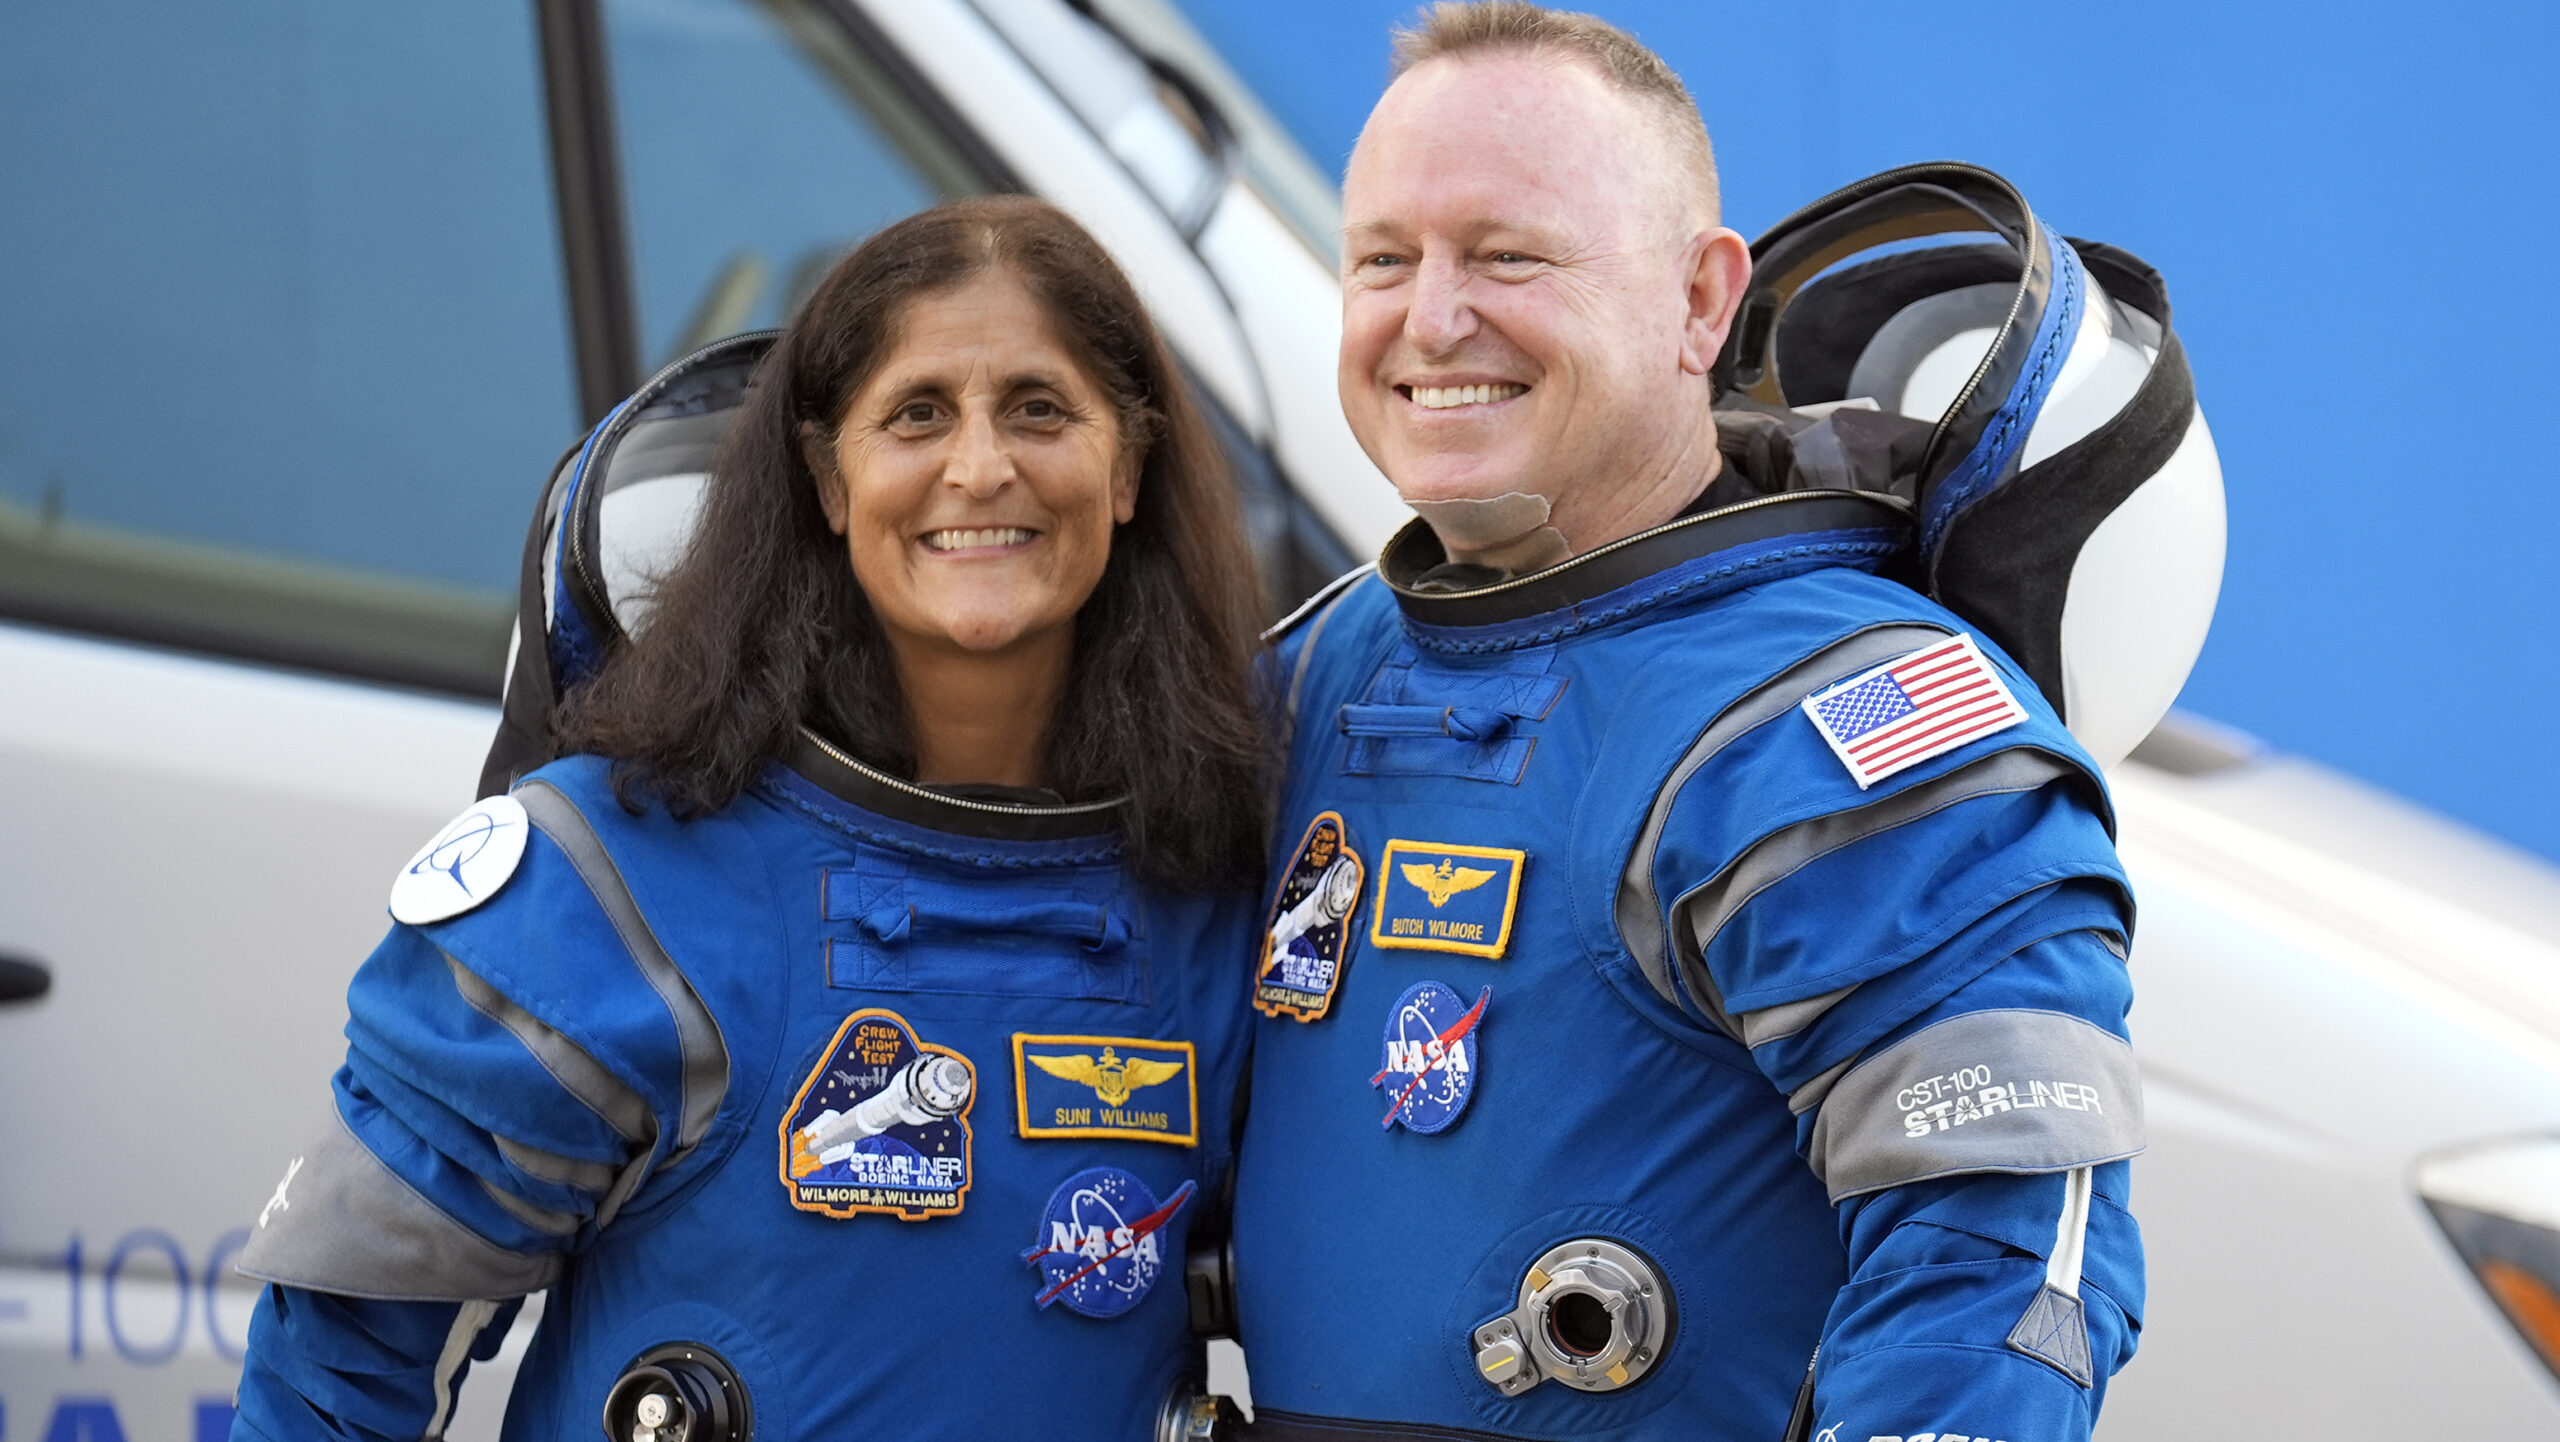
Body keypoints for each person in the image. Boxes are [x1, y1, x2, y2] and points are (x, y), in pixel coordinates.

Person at [1228, 7, 2144, 1442]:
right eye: (1384, 259)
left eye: (1507, 253)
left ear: (1703, 301)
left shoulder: (1847, 719)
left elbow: (2004, 1261)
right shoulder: (1327, 664)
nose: (1433, 317)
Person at [231, 195, 1270, 1442]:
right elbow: (334, 1368)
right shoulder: (610, 879)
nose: (981, 466)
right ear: (829, 478)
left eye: (1040, 408)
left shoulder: (1218, 885)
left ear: (1129, 467)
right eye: (917, 412)